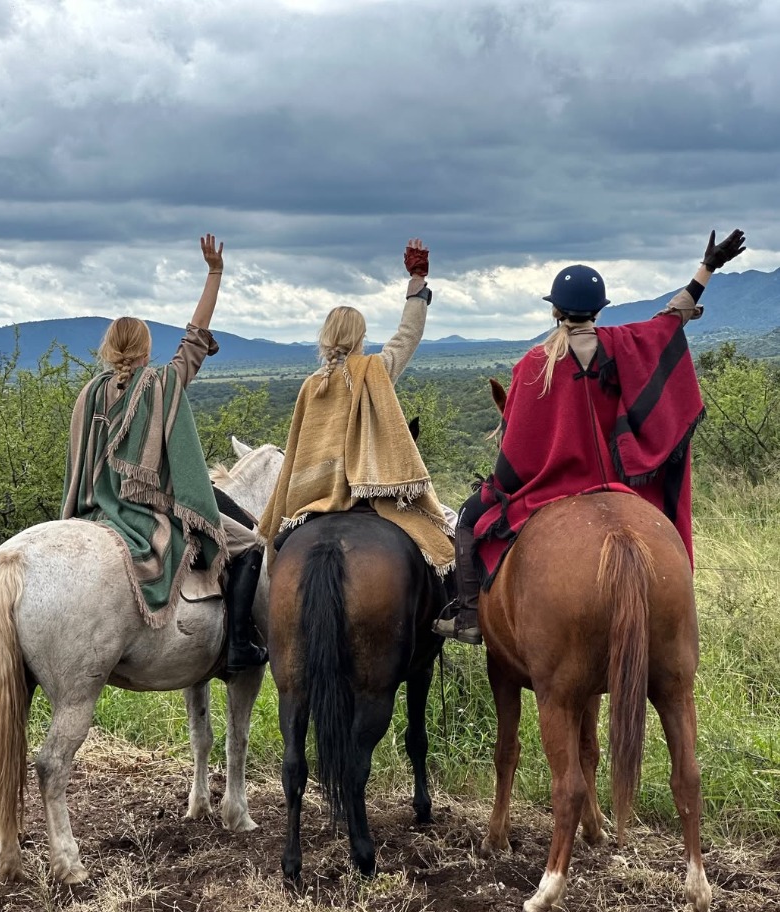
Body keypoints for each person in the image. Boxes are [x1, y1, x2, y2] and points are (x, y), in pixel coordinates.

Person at [433, 228, 747, 643]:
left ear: (555, 311)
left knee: (471, 517)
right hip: (615, 483)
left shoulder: (534, 365)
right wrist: (707, 267)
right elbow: (672, 318)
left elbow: (516, 449)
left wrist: (500, 485)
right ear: (599, 310)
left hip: (552, 489)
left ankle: (470, 616)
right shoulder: (625, 345)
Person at [62, 234, 268, 670]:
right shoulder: (160, 385)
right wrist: (214, 273)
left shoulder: (90, 394)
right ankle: (238, 646)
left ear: (108, 350)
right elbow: (195, 338)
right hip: (149, 514)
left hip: (95, 512)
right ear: (145, 349)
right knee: (250, 544)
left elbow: (80, 469)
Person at [259, 239, 454, 577]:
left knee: (251, 560)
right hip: (372, 493)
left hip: (313, 498)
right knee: (445, 529)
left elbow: (295, 454)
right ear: (361, 337)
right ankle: (458, 610)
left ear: (325, 338)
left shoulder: (311, 385)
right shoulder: (375, 371)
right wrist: (416, 286)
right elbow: (408, 335)